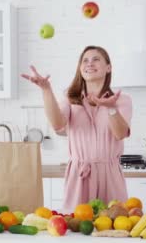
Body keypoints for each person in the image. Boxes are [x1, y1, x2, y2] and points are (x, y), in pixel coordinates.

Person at [21, 45, 132, 211]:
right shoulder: (70, 97)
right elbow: (58, 123)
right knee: (77, 227)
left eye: (96, 59)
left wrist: (111, 108)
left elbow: (120, 133)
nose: (89, 63)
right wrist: (46, 90)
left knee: (114, 226)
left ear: (108, 67)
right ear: (80, 69)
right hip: (80, 175)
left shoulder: (122, 100)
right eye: (85, 60)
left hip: (110, 175)